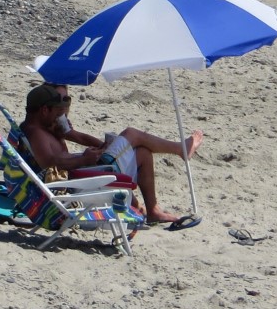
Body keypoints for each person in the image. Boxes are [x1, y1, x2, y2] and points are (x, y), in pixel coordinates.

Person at [20, 84, 203, 226]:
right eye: (57, 112)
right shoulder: (36, 133)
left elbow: (63, 150)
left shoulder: (42, 128)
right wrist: (84, 159)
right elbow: (49, 163)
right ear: (44, 110)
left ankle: (153, 210)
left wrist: (93, 150)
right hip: (87, 181)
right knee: (131, 134)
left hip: (85, 175)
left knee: (143, 153)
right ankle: (180, 149)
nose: (60, 116)